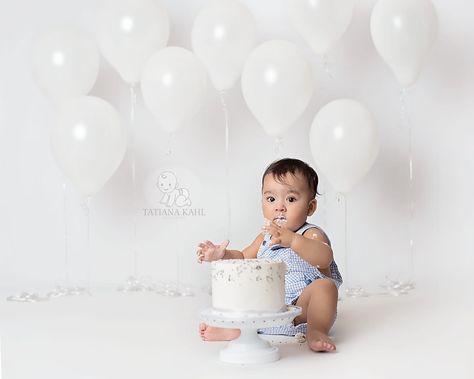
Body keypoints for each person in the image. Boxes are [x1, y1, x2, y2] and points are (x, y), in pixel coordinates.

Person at [196, 158, 343, 352]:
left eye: (290, 199)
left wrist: (292, 240)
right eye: (271, 199)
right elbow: (242, 257)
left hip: (301, 309)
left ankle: (317, 331)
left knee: (325, 287)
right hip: (267, 308)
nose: (279, 207)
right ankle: (238, 330)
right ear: (262, 202)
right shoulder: (265, 237)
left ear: (310, 207)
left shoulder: (310, 234)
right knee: (247, 285)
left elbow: (324, 258)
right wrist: (221, 255)